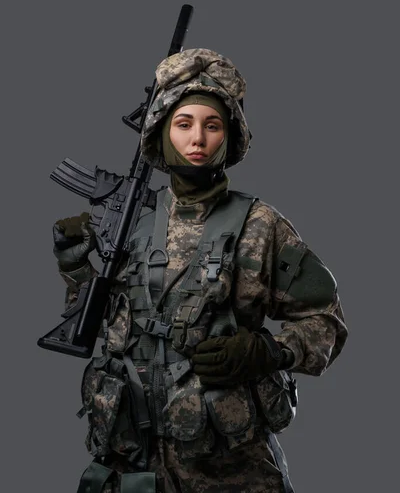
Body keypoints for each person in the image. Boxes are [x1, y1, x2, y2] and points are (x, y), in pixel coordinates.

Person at [53, 48, 348, 493]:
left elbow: (326, 323)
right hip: (130, 457)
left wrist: (267, 351)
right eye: (183, 124)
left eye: (213, 126)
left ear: (230, 137)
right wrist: (75, 265)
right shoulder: (134, 220)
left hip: (226, 466)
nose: (197, 139)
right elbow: (102, 323)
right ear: (161, 134)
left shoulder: (261, 225)